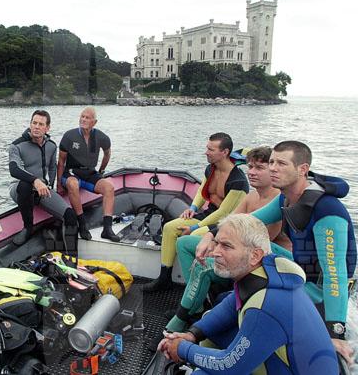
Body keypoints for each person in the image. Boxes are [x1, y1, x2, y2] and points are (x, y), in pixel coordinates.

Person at [158, 214, 338, 374]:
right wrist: (192, 334)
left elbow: (229, 366)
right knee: (210, 326)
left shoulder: (267, 304)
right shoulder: (266, 273)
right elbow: (229, 307)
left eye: (226, 246)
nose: (215, 252)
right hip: (290, 363)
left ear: (255, 255)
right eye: (217, 243)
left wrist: (183, 349)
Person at [166, 146, 292, 332]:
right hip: (238, 248)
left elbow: (257, 243)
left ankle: (181, 317)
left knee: (203, 265)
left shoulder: (278, 201)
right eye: (250, 167)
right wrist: (210, 236)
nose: (251, 172)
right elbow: (228, 223)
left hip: (264, 261)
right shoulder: (251, 197)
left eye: (259, 168)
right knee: (184, 243)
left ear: (273, 171)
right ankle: (196, 306)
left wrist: (218, 247)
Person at [252, 140, 356, 363]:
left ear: (303, 169)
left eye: (281, 163)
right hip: (301, 271)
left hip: (319, 289)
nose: (273, 168)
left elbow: (335, 275)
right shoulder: (286, 198)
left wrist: (335, 332)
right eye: (271, 162)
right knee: (251, 250)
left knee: (256, 302)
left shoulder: (326, 209)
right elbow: (251, 222)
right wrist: (212, 234)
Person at [144, 132, 249, 292]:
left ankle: (201, 286)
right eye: (207, 148)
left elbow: (223, 213)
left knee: (194, 235)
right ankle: (164, 278)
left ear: (225, 152)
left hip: (225, 223)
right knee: (170, 228)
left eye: (211, 150)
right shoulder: (211, 168)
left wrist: (194, 228)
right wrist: (192, 208)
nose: (206, 152)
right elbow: (202, 190)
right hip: (209, 214)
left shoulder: (238, 181)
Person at [8, 109, 79, 246]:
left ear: (47, 128)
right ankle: (28, 227)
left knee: (70, 215)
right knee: (25, 185)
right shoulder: (17, 145)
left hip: (40, 190)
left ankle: (70, 253)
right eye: (34, 123)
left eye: (41, 124)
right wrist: (35, 181)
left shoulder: (51, 146)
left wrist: (51, 185)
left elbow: (52, 167)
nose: (36, 127)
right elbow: (14, 170)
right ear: (30, 124)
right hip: (19, 189)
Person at [57, 106, 119, 242]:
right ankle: (82, 224)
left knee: (109, 188)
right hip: (72, 172)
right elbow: (61, 161)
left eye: (87, 118)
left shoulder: (102, 137)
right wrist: (59, 184)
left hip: (90, 173)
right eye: (82, 117)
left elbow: (107, 154)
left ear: (94, 122)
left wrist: (101, 171)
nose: (83, 119)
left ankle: (107, 229)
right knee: (73, 184)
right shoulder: (69, 136)